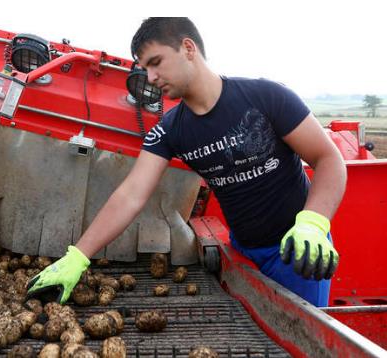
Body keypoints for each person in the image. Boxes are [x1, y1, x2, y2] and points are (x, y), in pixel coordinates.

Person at [27, 17, 346, 307]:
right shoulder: (170, 129)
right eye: (145, 69)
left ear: (188, 48)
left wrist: (314, 223)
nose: (151, 77)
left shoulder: (266, 96)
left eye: (156, 63)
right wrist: (78, 255)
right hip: (242, 251)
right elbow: (131, 194)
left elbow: (328, 158)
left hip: (296, 249)